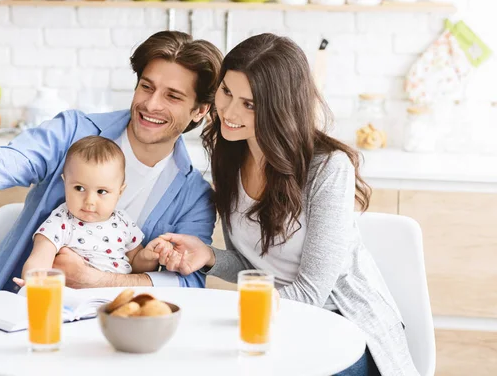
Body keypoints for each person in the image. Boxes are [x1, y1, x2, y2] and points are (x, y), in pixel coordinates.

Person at [0, 31, 222, 375]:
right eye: (146, 87)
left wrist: (97, 280)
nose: (151, 104)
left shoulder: (194, 194)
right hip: (26, 327)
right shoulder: (74, 132)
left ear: (200, 110)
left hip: (118, 345)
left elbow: (189, 284)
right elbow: (10, 162)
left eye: (172, 96)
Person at [154, 34, 419, 376]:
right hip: (279, 320)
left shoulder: (327, 168)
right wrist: (209, 257)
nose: (230, 113)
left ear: (279, 107)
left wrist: (241, 314)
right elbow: (258, 271)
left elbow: (312, 291)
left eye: (249, 104)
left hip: (344, 327)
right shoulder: (231, 155)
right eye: (227, 92)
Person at [15, 136, 174, 285]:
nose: (89, 201)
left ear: (120, 192)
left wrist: (148, 257)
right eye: (79, 188)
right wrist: (34, 282)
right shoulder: (61, 220)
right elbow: (40, 259)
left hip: (117, 295)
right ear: (65, 183)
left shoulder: (123, 222)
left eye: (101, 192)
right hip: (74, 297)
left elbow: (136, 265)